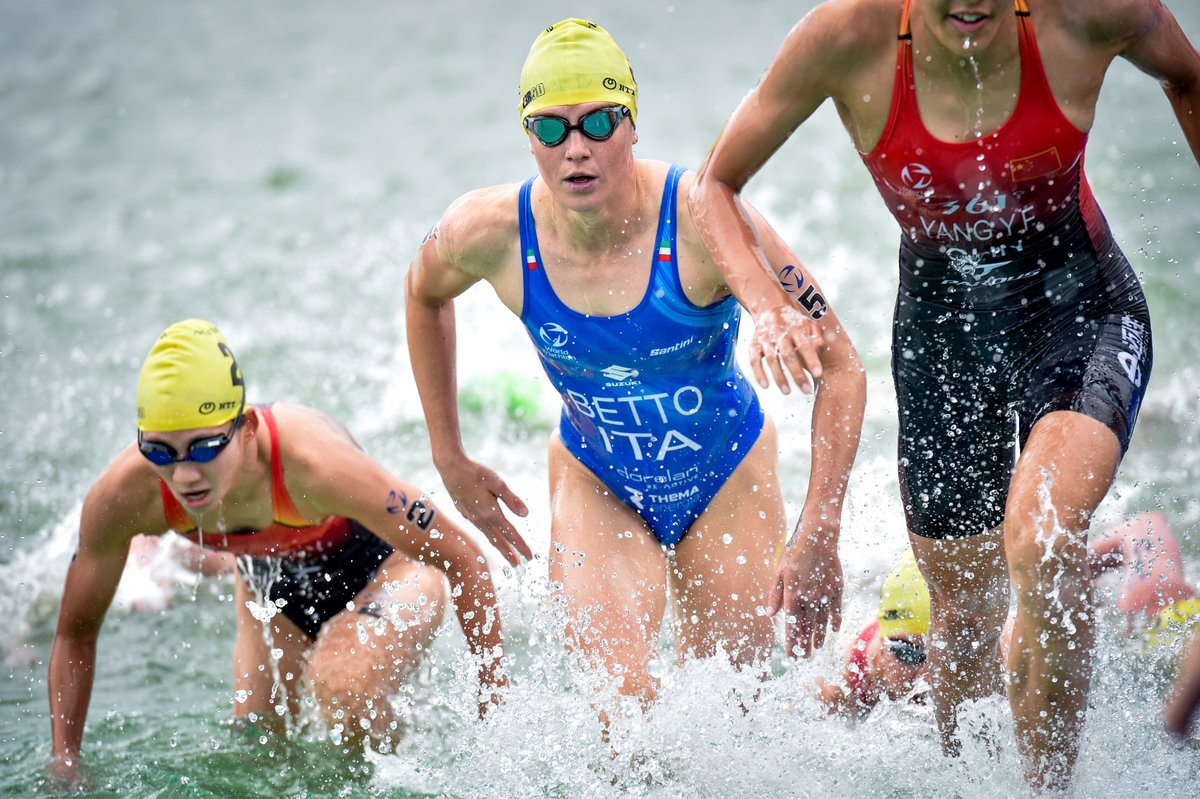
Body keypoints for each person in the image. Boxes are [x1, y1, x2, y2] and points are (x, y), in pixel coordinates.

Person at [688, 0, 1200, 788]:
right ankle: (974, 778)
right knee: (960, 612)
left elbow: (1186, 75)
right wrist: (766, 304)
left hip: (1078, 310)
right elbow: (713, 185)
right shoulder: (846, 39)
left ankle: (1048, 786)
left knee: (1041, 532)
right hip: (942, 337)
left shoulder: (1088, 16)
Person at [404, 18, 865, 715]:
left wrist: (820, 532)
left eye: (598, 122)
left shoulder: (705, 219)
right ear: (529, 137)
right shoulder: (488, 232)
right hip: (599, 479)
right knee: (619, 715)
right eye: (551, 130)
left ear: (633, 123)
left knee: (728, 723)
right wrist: (449, 455)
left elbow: (845, 367)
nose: (577, 150)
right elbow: (423, 292)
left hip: (725, 475)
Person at [48, 319, 506, 788]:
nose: (184, 475)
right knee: (256, 752)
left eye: (204, 448)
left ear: (245, 428)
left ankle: (420, 758)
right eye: (161, 451)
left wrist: (494, 709)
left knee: (345, 694)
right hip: (273, 597)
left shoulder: (314, 463)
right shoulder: (127, 494)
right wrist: (64, 762)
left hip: (390, 573)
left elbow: (463, 556)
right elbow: (74, 633)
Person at [815, 548, 932, 718]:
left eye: (949, 655)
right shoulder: (845, 678)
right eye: (908, 653)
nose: (927, 676)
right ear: (884, 645)